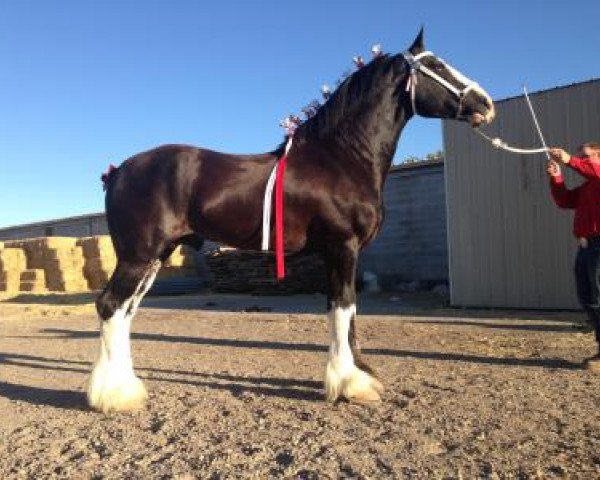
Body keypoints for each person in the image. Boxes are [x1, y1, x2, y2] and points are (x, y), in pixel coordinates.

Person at [547, 142, 600, 371]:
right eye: (580, 157)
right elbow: (565, 201)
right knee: (587, 297)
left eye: (586, 156)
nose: (582, 160)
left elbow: (591, 169)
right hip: (586, 246)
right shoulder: (588, 186)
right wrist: (557, 177)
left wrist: (568, 160)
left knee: (598, 298)